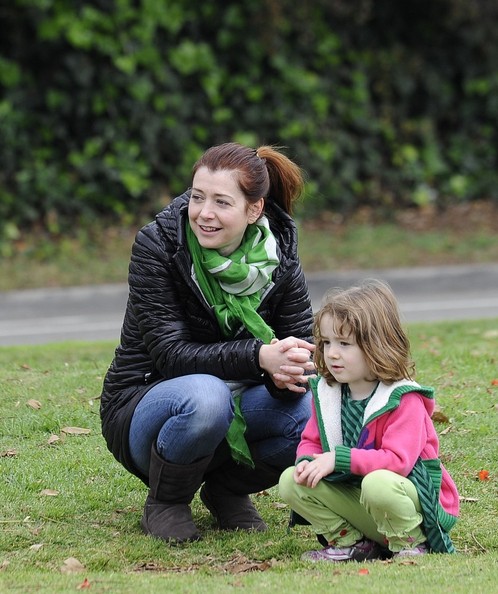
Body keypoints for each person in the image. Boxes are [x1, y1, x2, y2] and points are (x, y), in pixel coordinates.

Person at [100, 142, 316, 544]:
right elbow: (171, 355)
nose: (204, 213)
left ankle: (226, 490)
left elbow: (302, 343)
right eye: (198, 197)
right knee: (207, 396)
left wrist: (287, 371)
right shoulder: (159, 246)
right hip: (145, 407)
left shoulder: (279, 256)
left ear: (255, 210)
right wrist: (259, 356)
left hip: (237, 400)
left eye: (221, 202)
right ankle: (166, 503)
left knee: (310, 411)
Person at [278, 279, 459, 562]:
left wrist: (337, 460)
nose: (332, 353)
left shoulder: (402, 398)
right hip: (359, 499)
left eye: (345, 343)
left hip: (407, 500)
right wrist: (306, 462)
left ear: (377, 345)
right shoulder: (328, 393)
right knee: (291, 481)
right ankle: (352, 543)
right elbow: (311, 441)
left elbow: (398, 462)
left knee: (378, 484)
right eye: (326, 342)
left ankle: (410, 542)